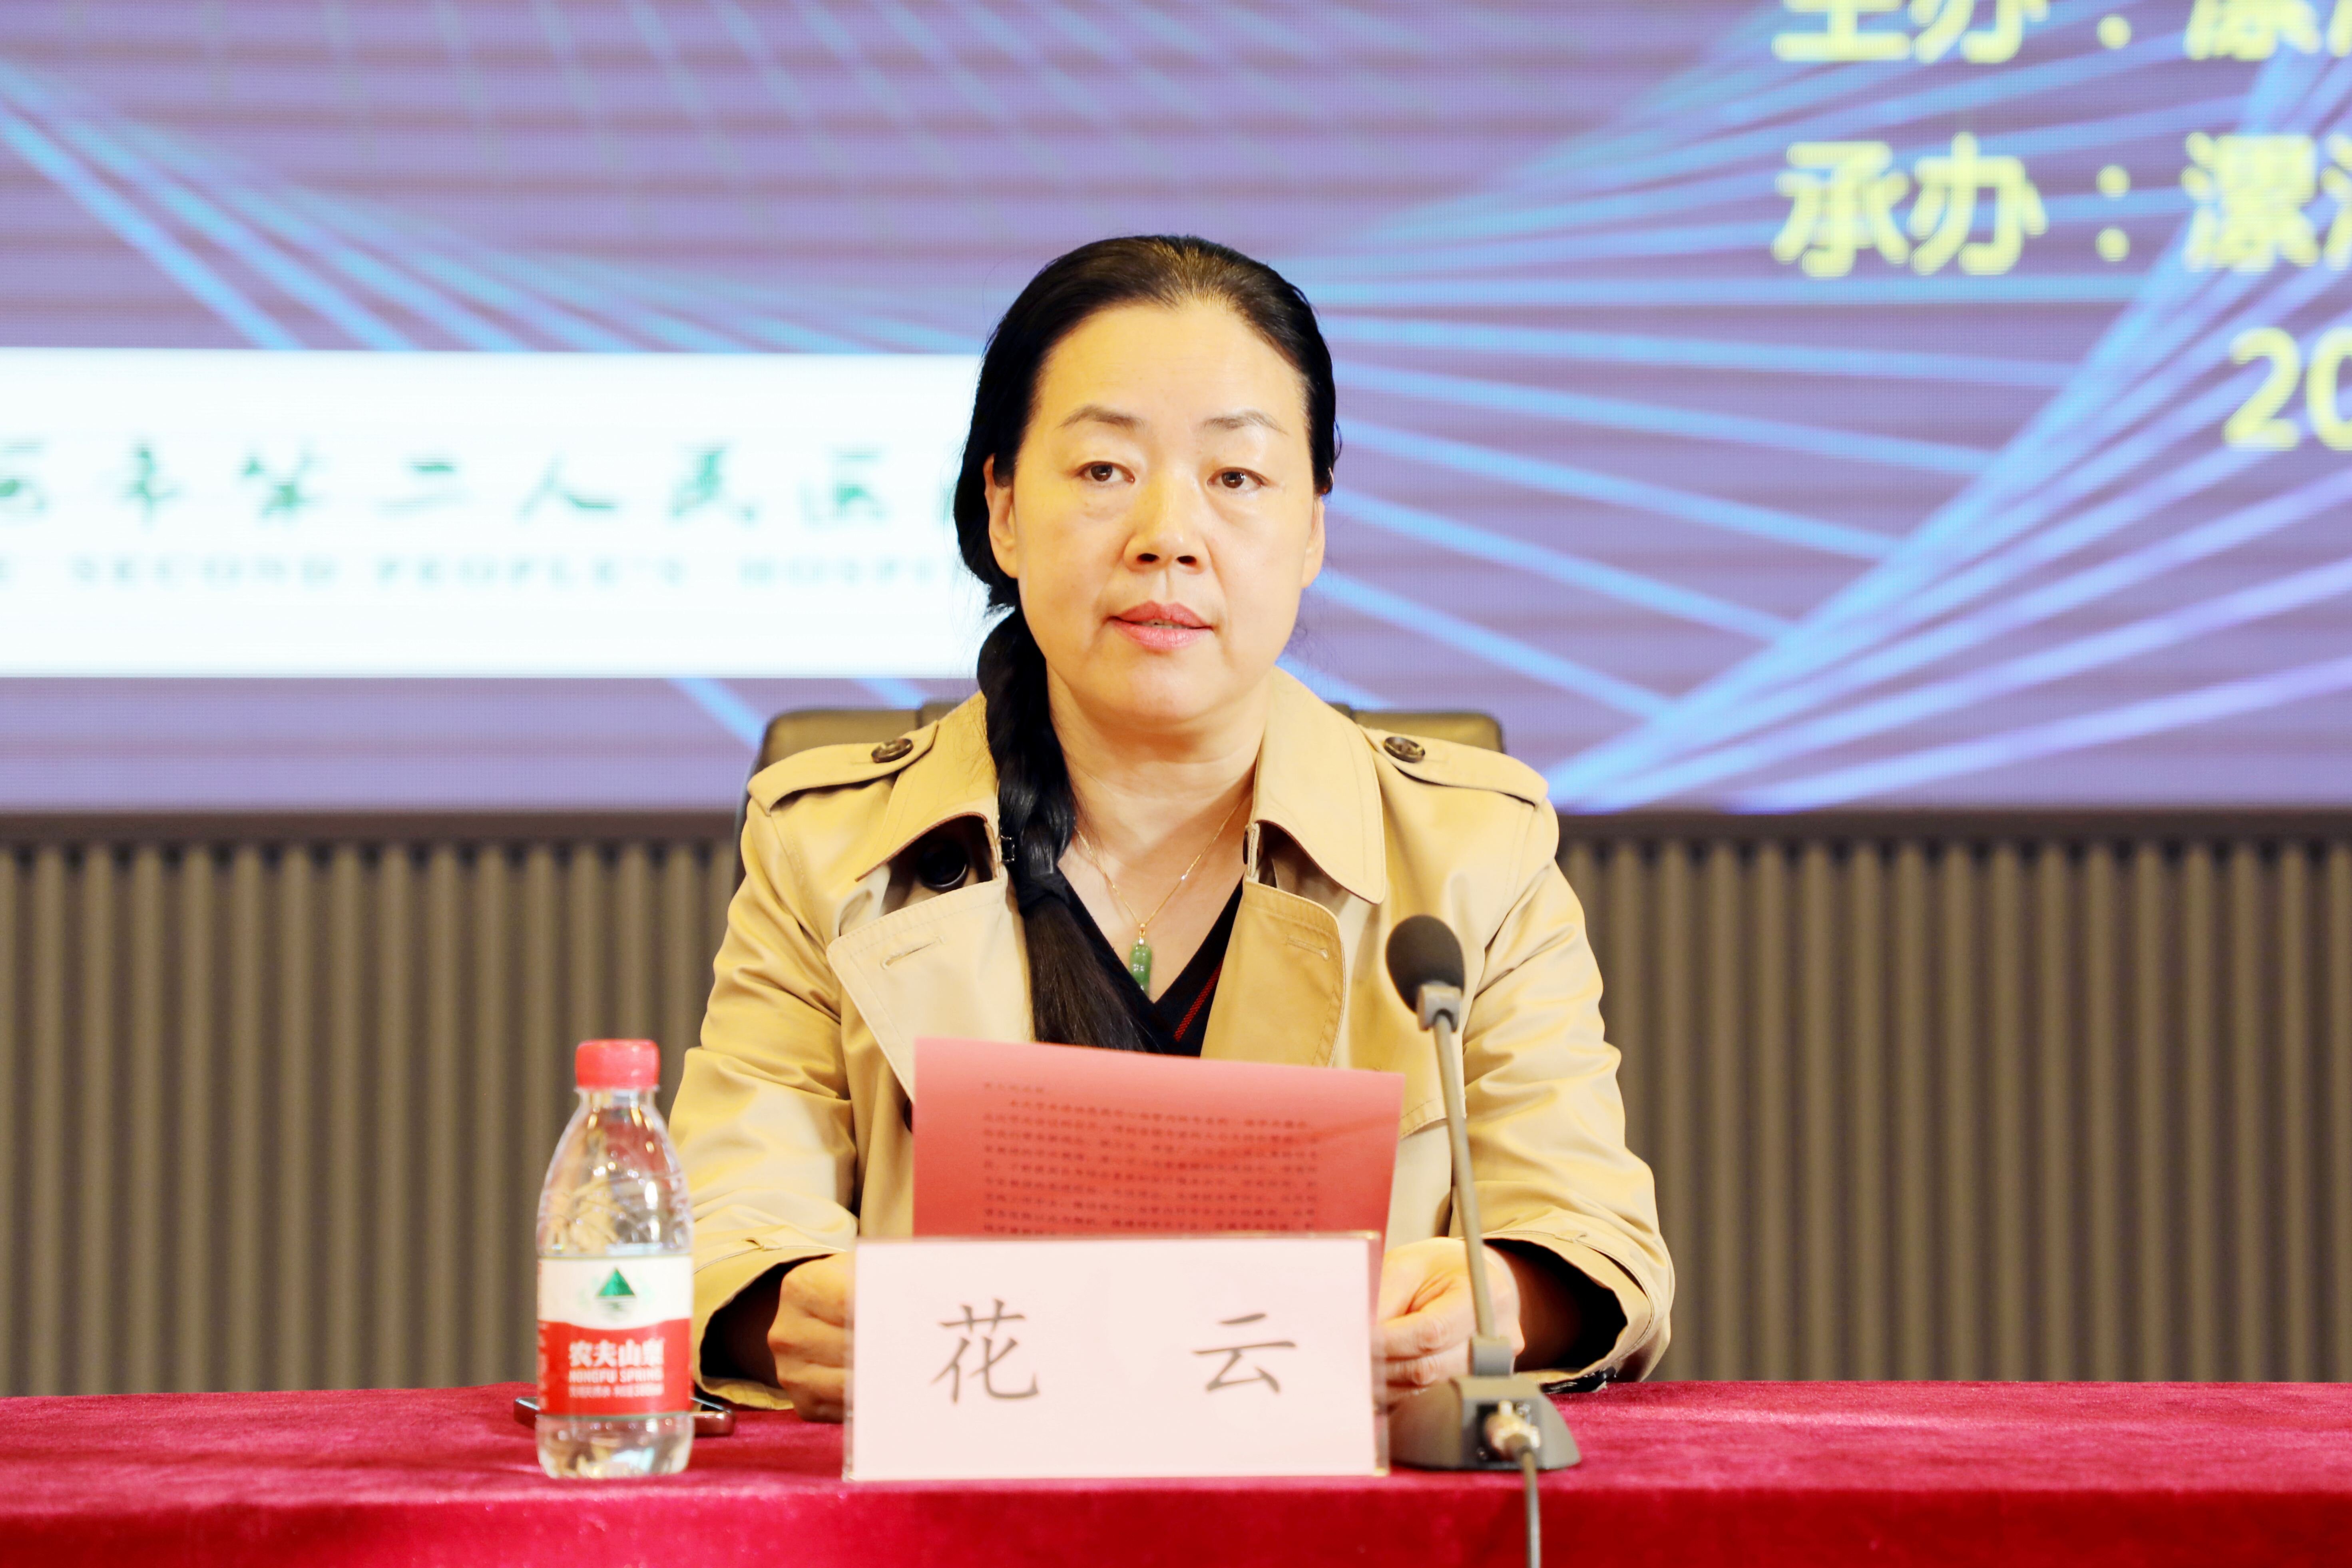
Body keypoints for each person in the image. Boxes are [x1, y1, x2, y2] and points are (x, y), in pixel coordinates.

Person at [674, 235, 1672, 1421]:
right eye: (1104, 469)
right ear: (1004, 509)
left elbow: (1589, 1231)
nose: (1167, 533)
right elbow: (729, 1226)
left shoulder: (1472, 858)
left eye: (1237, 477)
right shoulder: (828, 851)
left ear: (1313, 529)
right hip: (951, 1498)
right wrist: (791, 1304)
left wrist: (1493, 1300)